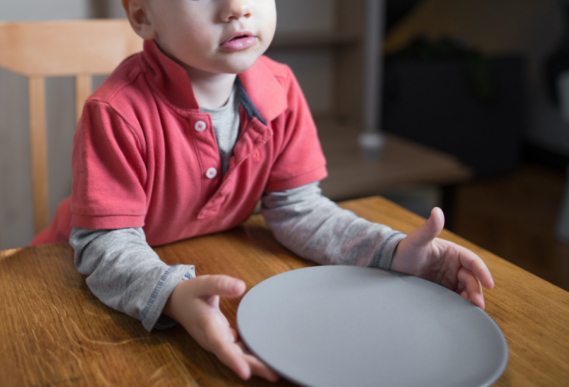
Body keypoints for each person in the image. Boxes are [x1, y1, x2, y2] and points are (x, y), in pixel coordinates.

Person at [32, 0, 495, 382]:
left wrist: (392, 251)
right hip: (77, 282)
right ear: (142, 16)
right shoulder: (116, 112)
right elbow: (104, 244)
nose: (236, 9)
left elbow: (299, 211)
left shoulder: (281, 89)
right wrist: (171, 294)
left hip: (207, 258)